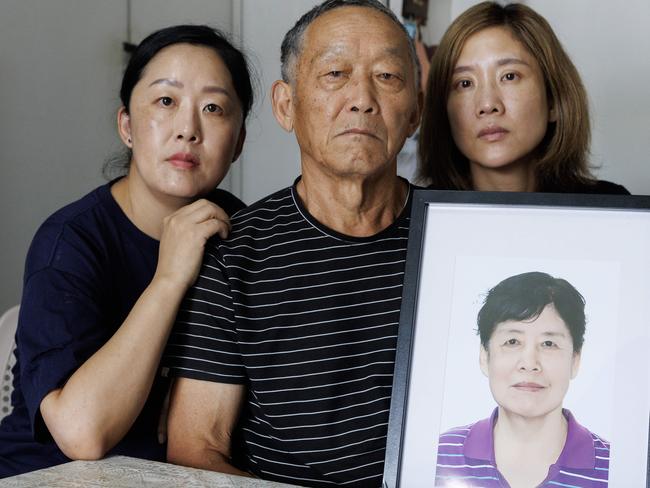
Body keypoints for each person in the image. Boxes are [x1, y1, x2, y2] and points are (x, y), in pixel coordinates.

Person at [162, 1, 421, 486]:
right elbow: (196, 445)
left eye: (387, 76)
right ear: (286, 106)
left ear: (415, 113)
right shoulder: (234, 256)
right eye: (336, 73)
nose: (362, 98)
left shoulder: (456, 240)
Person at [0, 25, 253, 477]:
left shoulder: (242, 232)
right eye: (165, 101)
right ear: (127, 126)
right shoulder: (69, 242)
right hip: (46, 475)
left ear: (238, 142)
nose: (188, 129)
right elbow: (82, 433)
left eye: (213, 108)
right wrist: (169, 278)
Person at [418, 1, 629, 194]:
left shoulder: (614, 211)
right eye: (465, 83)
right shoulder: (418, 220)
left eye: (509, 76)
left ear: (553, 99)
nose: (488, 104)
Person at [435, 272, 610, 487]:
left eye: (548, 344)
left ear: (575, 359)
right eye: (512, 341)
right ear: (484, 356)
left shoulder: (615, 467)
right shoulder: (439, 454)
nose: (529, 363)